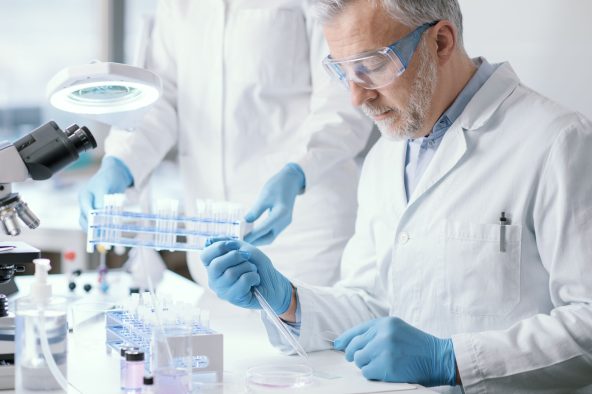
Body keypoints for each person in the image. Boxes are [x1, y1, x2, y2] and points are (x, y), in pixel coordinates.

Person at [200, 0, 592, 392]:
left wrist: (451, 360)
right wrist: (287, 301)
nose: (356, 97)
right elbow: (374, 304)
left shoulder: (557, 141)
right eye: (343, 71)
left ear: (440, 42)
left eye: (370, 67)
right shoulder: (387, 155)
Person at [79, 0, 373, 286]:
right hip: (212, 234)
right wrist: (121, 162)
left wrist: (298, 173)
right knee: (220, 333)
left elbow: (342, 99)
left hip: (304, 232)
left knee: (307, 326)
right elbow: (162, 98)